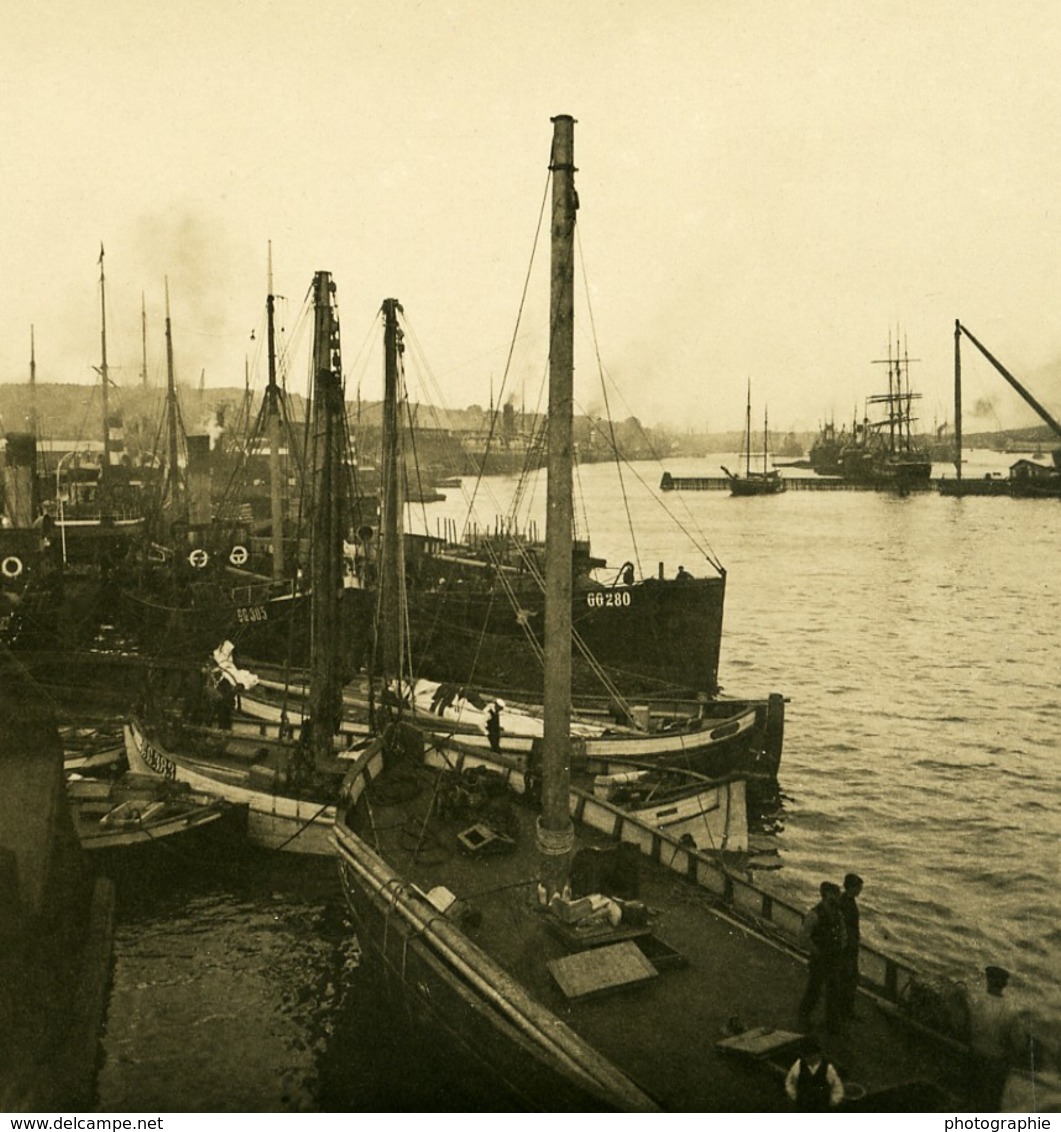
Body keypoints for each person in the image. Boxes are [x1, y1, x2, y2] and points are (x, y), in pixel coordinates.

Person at [798, 882, 847, 1033]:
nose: (838, 898)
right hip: (820, 959)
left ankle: (832, 1022)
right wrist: (817, 952)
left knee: (834, 990)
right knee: (814, 988)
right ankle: (803, 1016)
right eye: (835, 895)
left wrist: (841, 946)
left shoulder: (838, 914)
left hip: (834, 958)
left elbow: (843, 933)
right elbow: (803, 937)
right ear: (825, 895)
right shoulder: (814, 914)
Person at [966, 965, 1015, 1111]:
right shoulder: (1009, 1010)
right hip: (995, 1062)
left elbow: (964, 1024)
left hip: (974, 1054)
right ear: (1004, 985)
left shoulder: (974, 1000)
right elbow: (1018, 1043)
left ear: (988, 980)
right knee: (991, 1103)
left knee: (973, 1096)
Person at [785, 1035, 844, 1111]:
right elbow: (789, 1081)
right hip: (803, 1107)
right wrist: (794, 1096)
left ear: (818, 1054)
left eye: (813, 1055)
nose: (810, 1058)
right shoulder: (798, 1065)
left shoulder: (827, 1068)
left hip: (821, 1107)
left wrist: (834, 1100)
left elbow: (837, 1085)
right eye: (807, 1056)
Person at [838, 873, 863, 1021]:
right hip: (846, 947)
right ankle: (844, 1012)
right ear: (852, 887)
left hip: (850, 946)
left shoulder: (847, 900)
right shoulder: (845, 902)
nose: (860, 890)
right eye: (859, 888)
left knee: (851, 979)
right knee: (847, 979)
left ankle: (847, 1011)